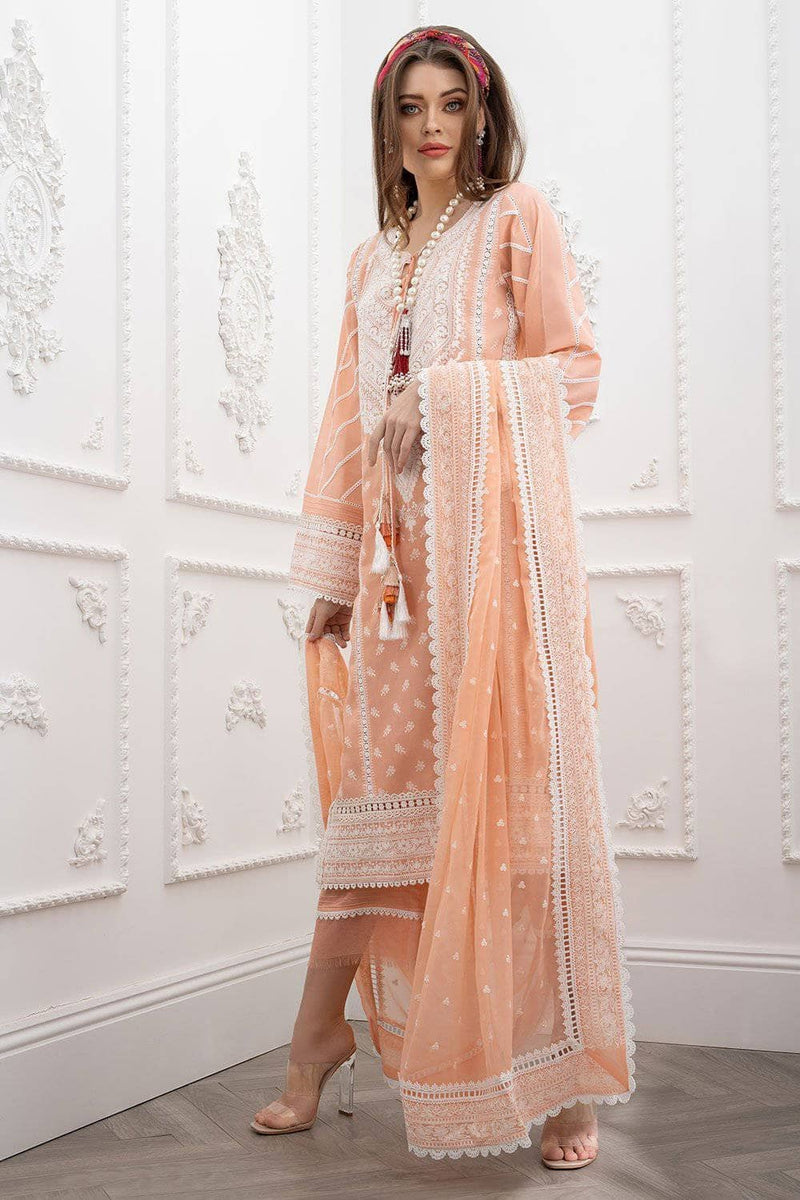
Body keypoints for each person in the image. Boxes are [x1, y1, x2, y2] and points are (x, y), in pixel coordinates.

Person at [251, 25, 636, 1166]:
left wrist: (446, 397)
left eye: (451, 105)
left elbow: (573, 374)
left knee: (513, 819)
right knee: (375, 821)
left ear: (482, 115)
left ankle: (561, 1076)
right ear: (388, 127)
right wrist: (332, 573)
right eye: (411, 107)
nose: (431, 126)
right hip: (393, 585)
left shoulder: (514, 217)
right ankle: (317, 1040)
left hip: (493, 571)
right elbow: (345, 411)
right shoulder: (370, 264)